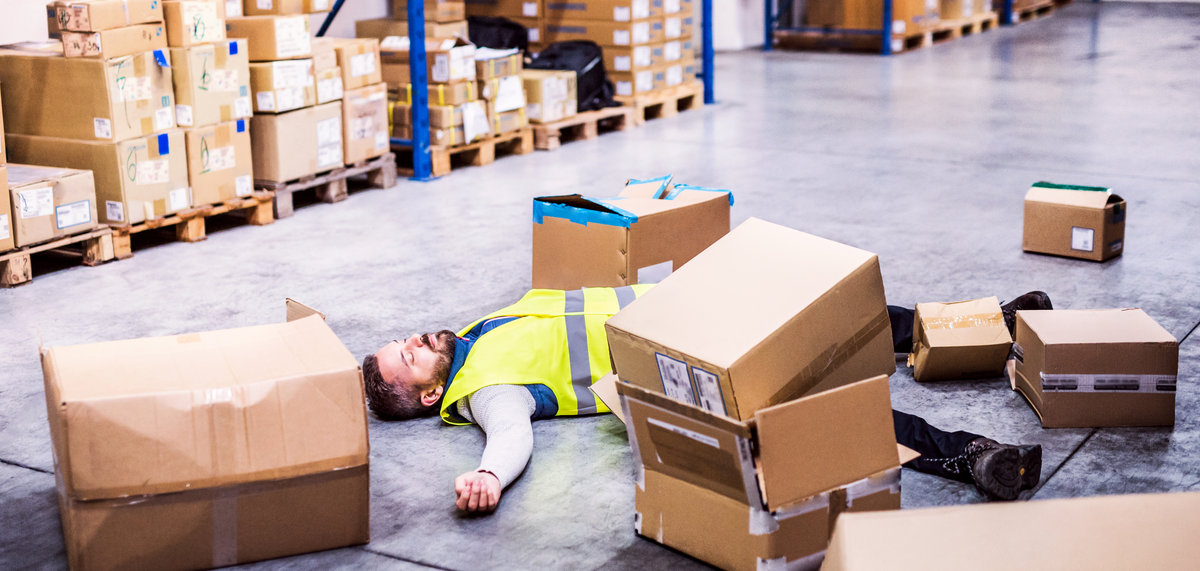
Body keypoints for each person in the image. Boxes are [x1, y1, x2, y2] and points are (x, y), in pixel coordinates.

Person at [363, 287, 1054, 512]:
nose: (416, 338)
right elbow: (509, 437)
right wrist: (487, 475)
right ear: (429, 393)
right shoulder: (487, 391)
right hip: (683, 363)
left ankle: (990, 323)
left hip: (687, 306)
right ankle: (974, 456)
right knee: (809, 411)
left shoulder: (480, 330)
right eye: (409, 354)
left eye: (404, 338)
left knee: (839, 309)